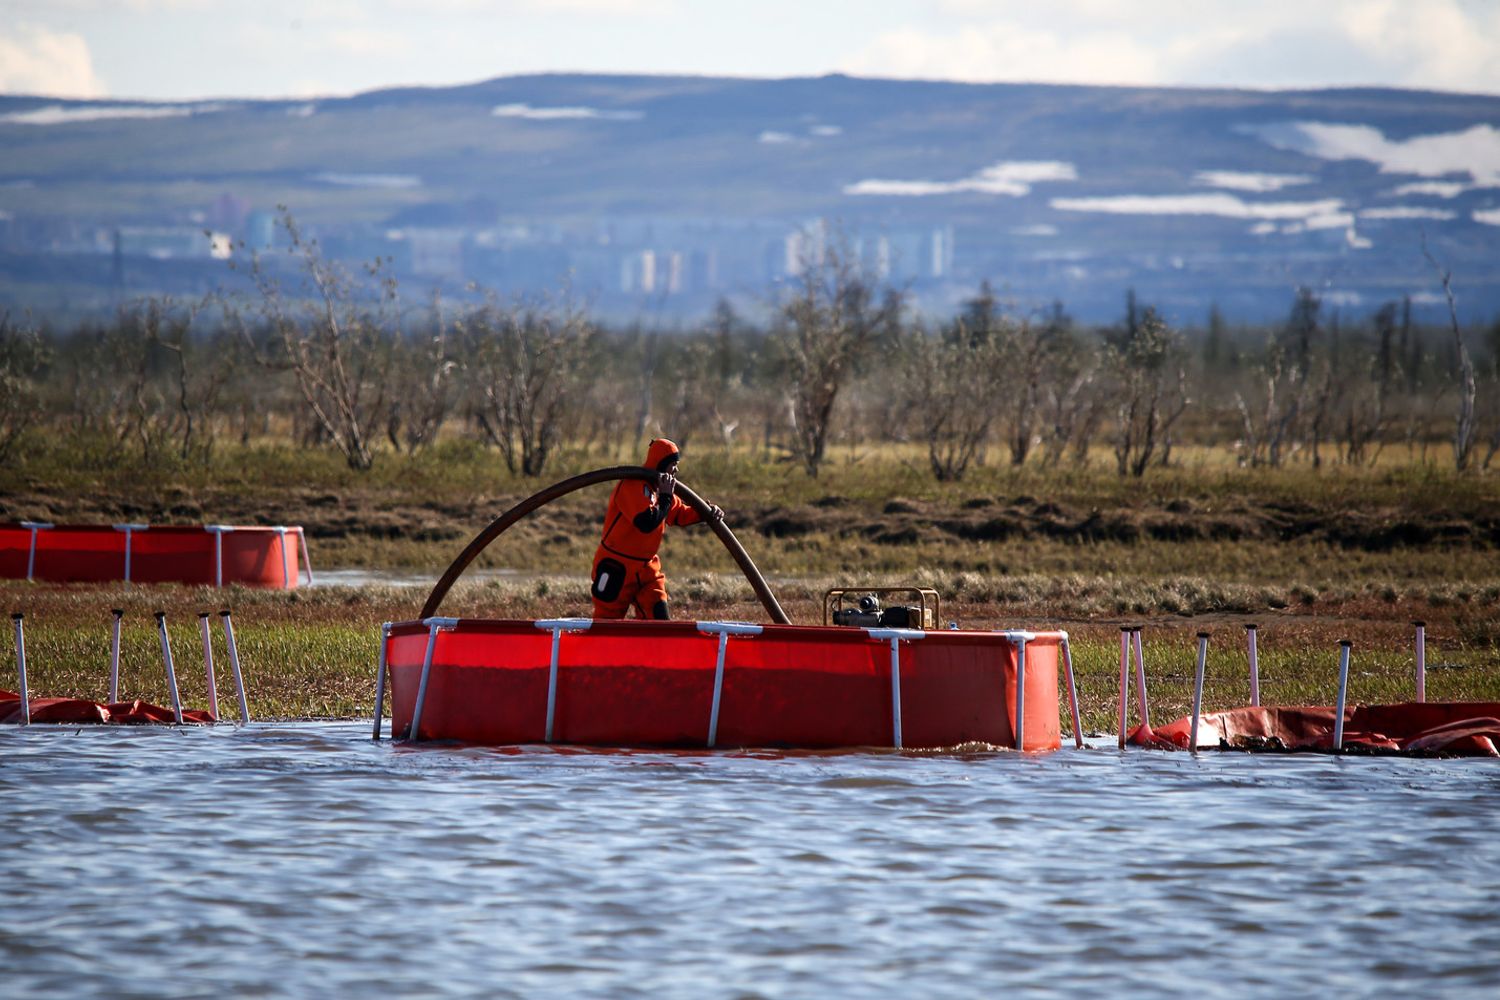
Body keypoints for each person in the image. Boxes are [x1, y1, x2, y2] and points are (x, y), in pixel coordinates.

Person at [590, 438, 723, 620]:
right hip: (616, 568)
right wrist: (666, 498)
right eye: (673, 464)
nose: (676, 470)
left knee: (659, 620)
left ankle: (654, 649)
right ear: (661, 464)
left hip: (647, 570)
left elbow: (679, 514)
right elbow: (646, 522)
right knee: (605, 627)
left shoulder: (660, 490)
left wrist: (706, 512)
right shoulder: (632, 485)